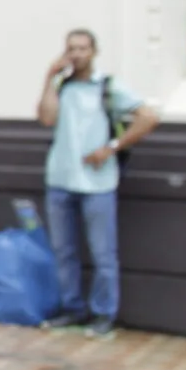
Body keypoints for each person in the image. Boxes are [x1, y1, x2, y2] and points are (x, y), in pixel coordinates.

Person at [35, 28, 159, 338]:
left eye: (82, 48)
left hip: (98, 183)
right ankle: (72, 308)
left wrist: (112, 147)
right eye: (71, 49)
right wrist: (49, 78)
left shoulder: (107, 87)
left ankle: (104, 313)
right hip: (61, 179)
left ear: (94, 52)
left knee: (103, 252)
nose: (76, 54)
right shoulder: (62, 87)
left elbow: (148, 117)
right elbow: (46, 119)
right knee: (64, 250)